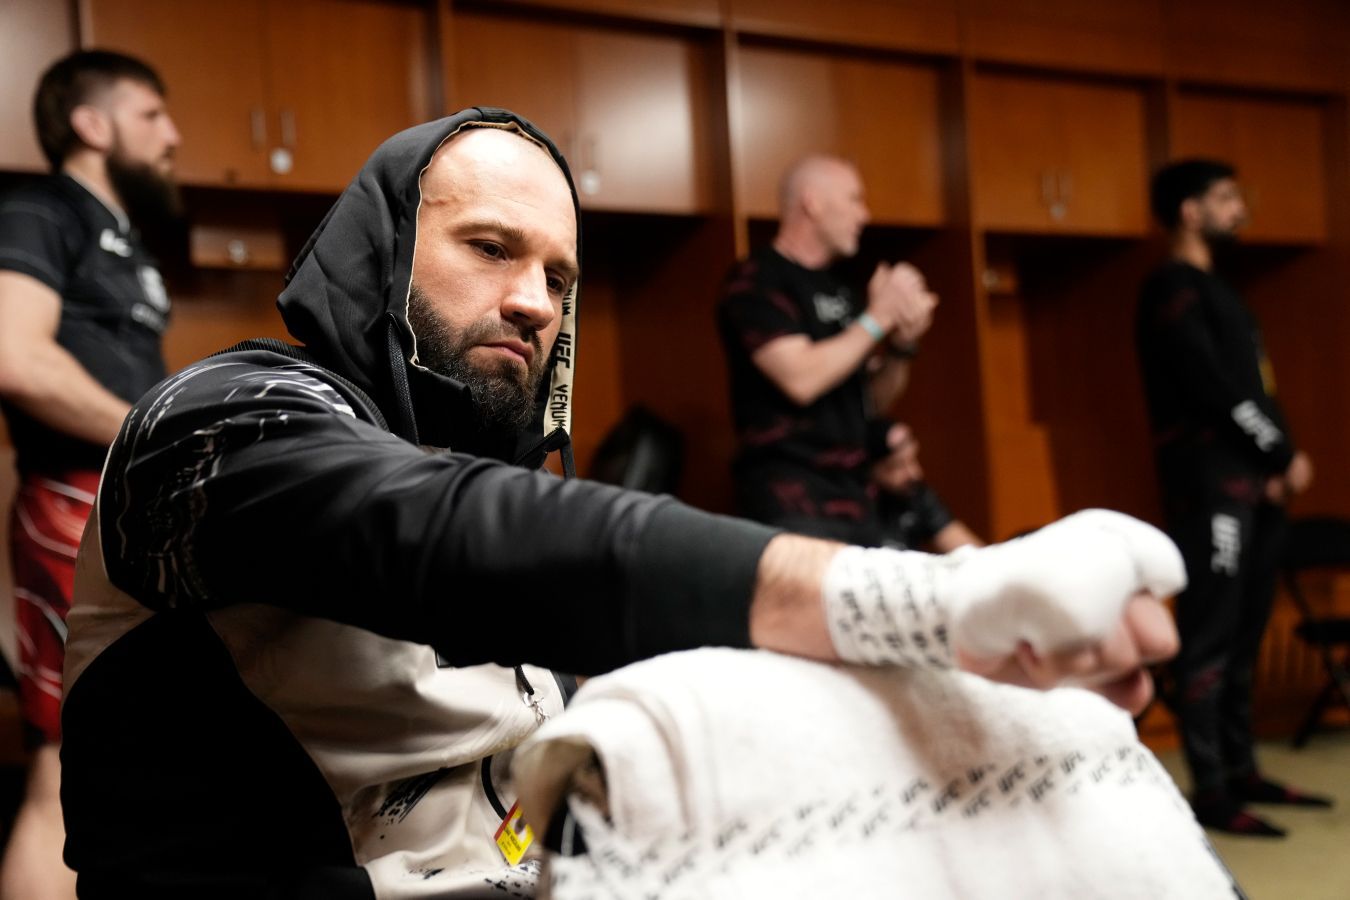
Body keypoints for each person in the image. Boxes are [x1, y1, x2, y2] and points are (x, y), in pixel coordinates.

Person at [62, 108, 1181, 898]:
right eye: (489, 248)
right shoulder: (215, 422)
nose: (533, 302)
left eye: (559, 277)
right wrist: (920, 600)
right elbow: (446, 534)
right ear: (384, 254)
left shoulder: (490, 469)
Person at [0, 50, 180, 899]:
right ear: (92, 123)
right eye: (152, 115)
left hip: (132, 508)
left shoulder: (128, 241)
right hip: (73, 503)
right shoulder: (40, 211)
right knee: (62, 770)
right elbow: (14, 357)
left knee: (148, 753)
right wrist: (159, 429)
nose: (173, 135)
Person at [1136, 158, 1332, 838]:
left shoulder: (1223, 292)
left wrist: (1277, 461)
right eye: (1225, 197)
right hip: (1210, 488)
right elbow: (1210, 388)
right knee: (1209, 636)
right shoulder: (1171, 287)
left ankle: (1244, 769)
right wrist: (1278, 453)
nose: (1239, 208)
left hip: (1258, 491)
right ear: (1189, 211)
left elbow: (1255, 389)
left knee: (1247, 632)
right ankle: (1212, 789)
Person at [716, 155, 940, 547]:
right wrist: (879, 316)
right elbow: (800, 379)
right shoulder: (757, 279)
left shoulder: (843, 291)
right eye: (854, 199)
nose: (864, 215)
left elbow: (871, 401)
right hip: (792, 500)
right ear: (812, 202)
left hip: (857, 496)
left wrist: (901, 345)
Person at [871, 422, 981, 553]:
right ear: (870, 469)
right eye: (898, 465)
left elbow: (971, 552)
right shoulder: (857, 508)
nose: (915, 473)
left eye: (913, 459)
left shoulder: (916, 493)